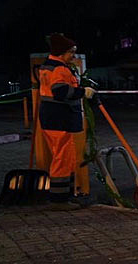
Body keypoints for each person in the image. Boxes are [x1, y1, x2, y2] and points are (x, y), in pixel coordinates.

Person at [38, 33, 96, 210]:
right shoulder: (59, 69)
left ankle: (66, 196)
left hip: (53, 118)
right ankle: (59, 200)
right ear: (61, 52)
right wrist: (82, 92)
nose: (74, 55)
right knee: (62, 159)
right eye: (71, 52)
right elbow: (61, 92)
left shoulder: (49, 66)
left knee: (64, 157)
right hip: (59, 119)